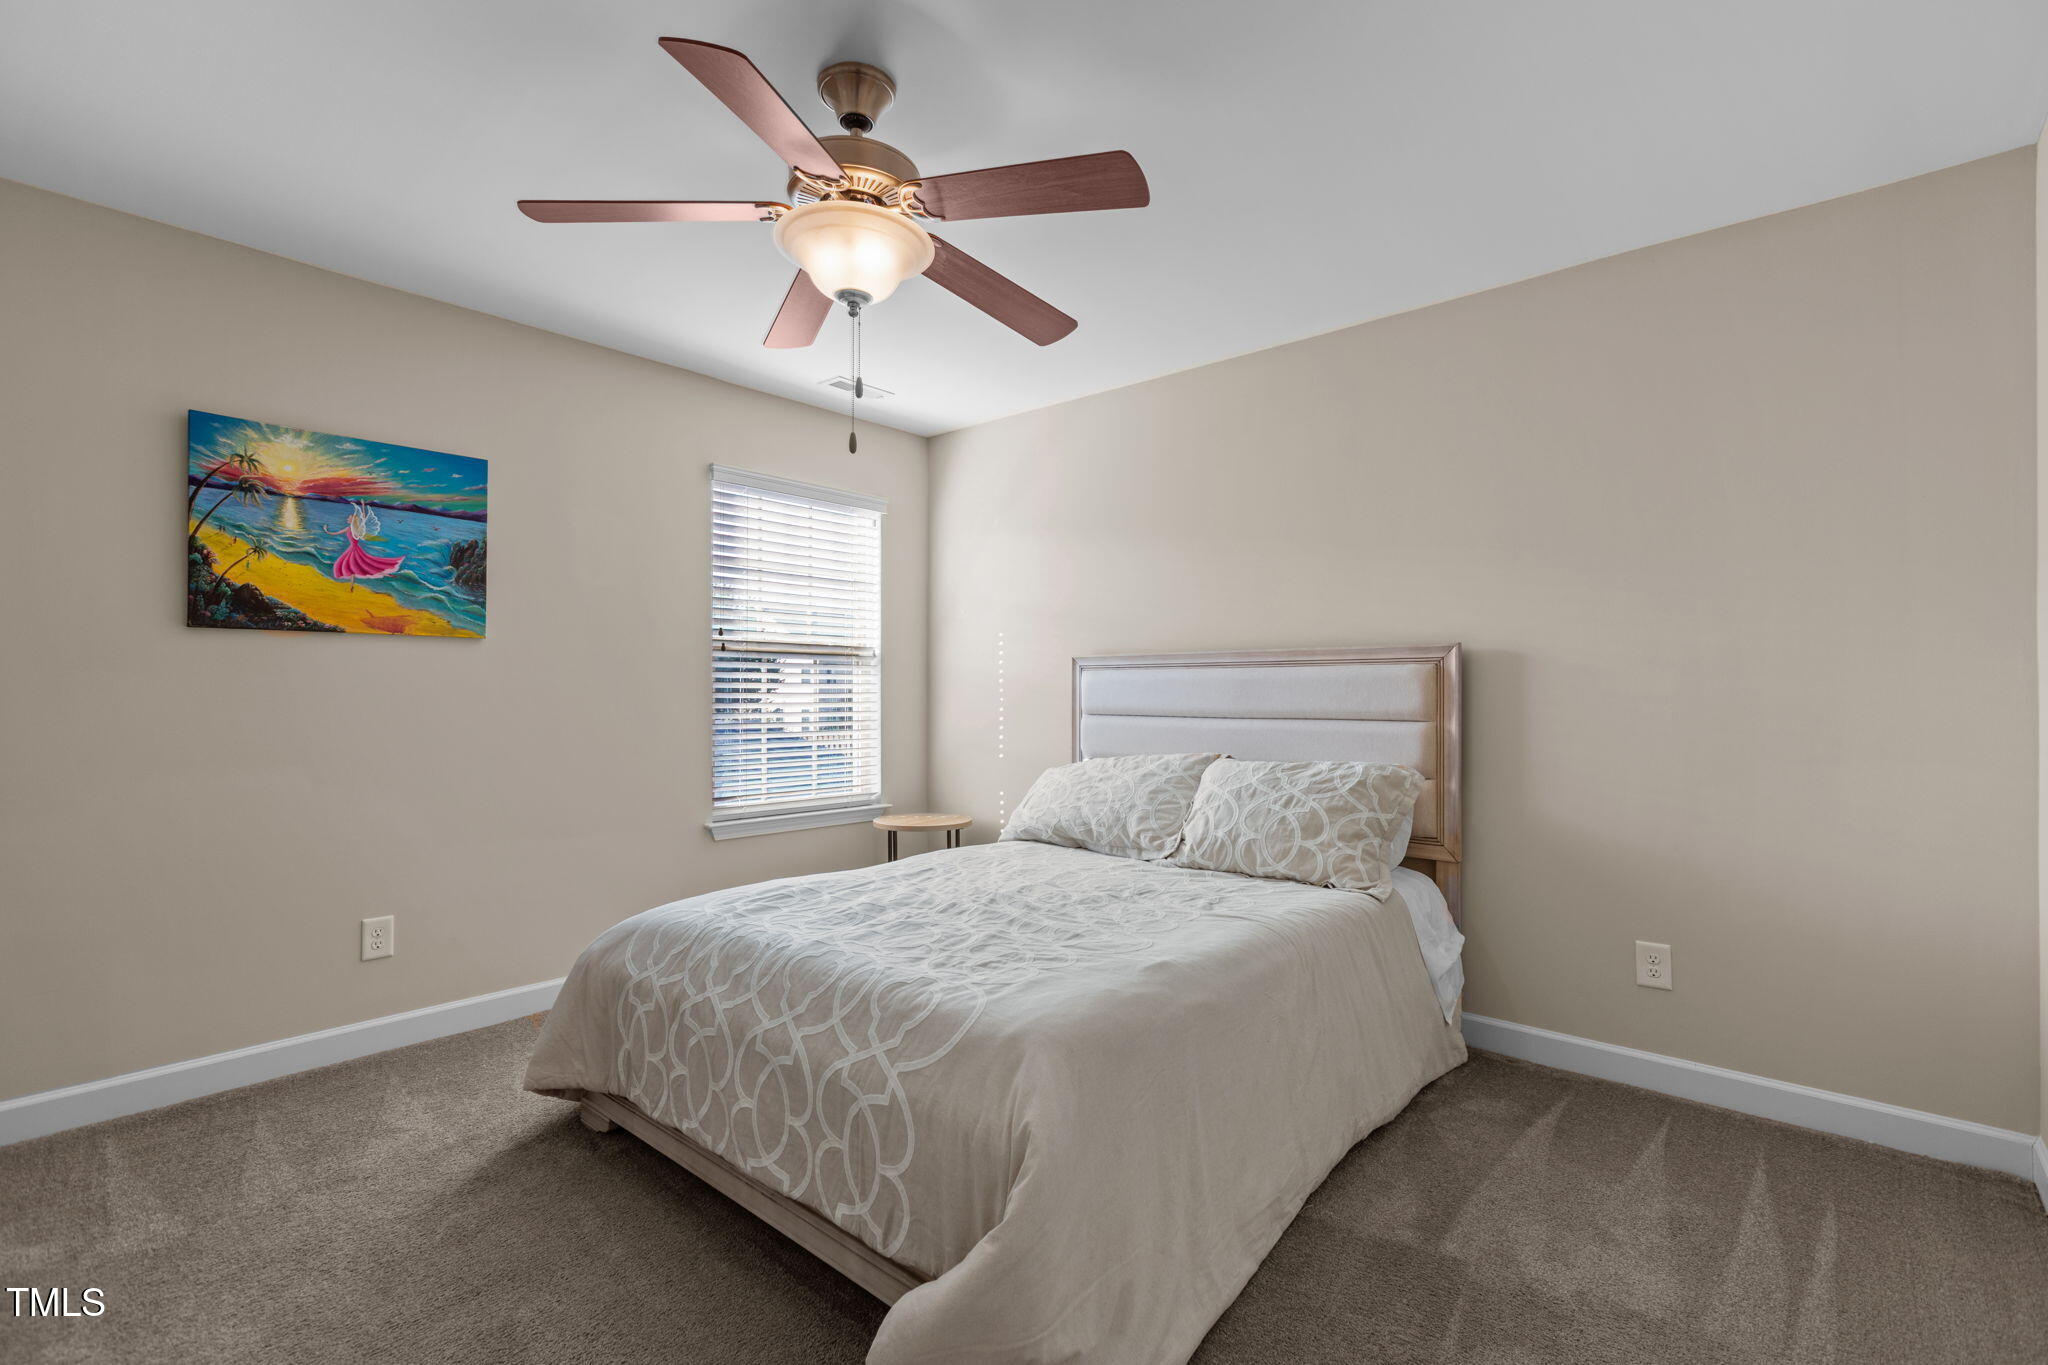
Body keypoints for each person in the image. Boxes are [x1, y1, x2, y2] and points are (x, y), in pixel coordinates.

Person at [330, 501, 405, 585]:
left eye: (349, 518)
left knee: (361, 565)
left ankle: (385, 574)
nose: (347, 519)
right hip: (353, 549)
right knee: (361, 565)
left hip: (354, 549)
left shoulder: (357, 529)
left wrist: (363, 505)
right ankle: (353, 584)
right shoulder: (349, 528)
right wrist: (327, 531)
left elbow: (363, 517)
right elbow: (336, 533)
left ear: (353, 520)